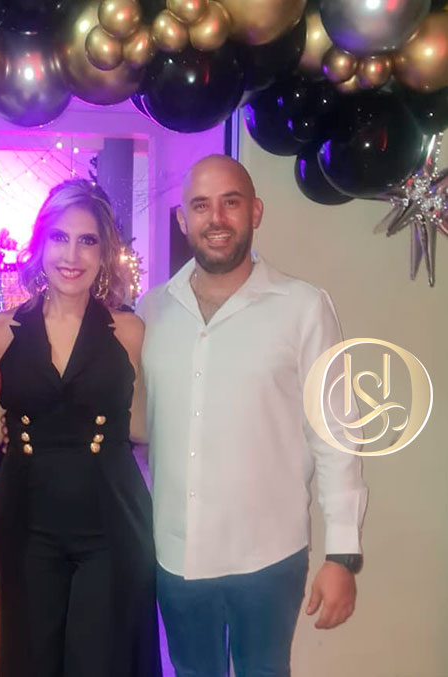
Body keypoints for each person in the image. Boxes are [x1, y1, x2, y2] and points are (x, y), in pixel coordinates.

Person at [137, 155, 369, 677]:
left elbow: (336, 434)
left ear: (255, 212)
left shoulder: (303, 307)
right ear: (183, 219)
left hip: (268, 557)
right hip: (177, 554)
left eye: (231, 202)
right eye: (201, 206)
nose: (216, 218)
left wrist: (342, 554)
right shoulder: (152, 311)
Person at [0, 179, 161, 677]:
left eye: (87, 241)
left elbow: (145, 424)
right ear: (40, 245)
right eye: (59, 237)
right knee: (28, 659)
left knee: (100, 662)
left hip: (111, 523)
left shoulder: (128, 331)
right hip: (24, 523)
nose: (72, 255)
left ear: (104, 253)